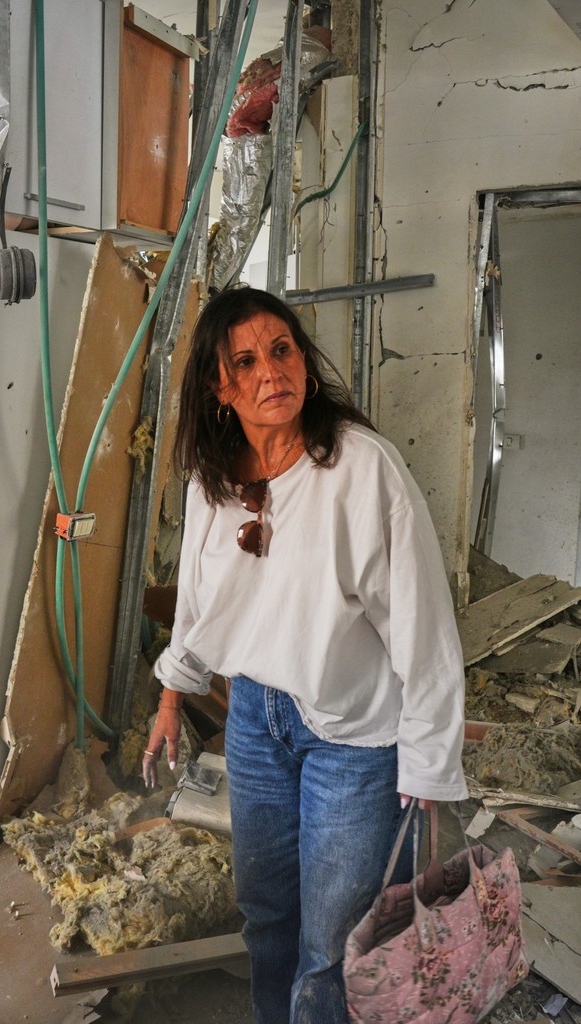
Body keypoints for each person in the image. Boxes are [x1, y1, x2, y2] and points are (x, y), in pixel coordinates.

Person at [142, 286, 468, 1024]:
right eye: (246, 361)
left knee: (333, 941)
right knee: (265, 915)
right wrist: (171, 696)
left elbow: (423, 628)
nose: (271, 372)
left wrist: (426, 763)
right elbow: (198, 603)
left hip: (353, 733)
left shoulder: (362, 470)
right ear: (220, 388)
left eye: (282, 350)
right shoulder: (213, 479)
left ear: (306, 364)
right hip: (256, 717)